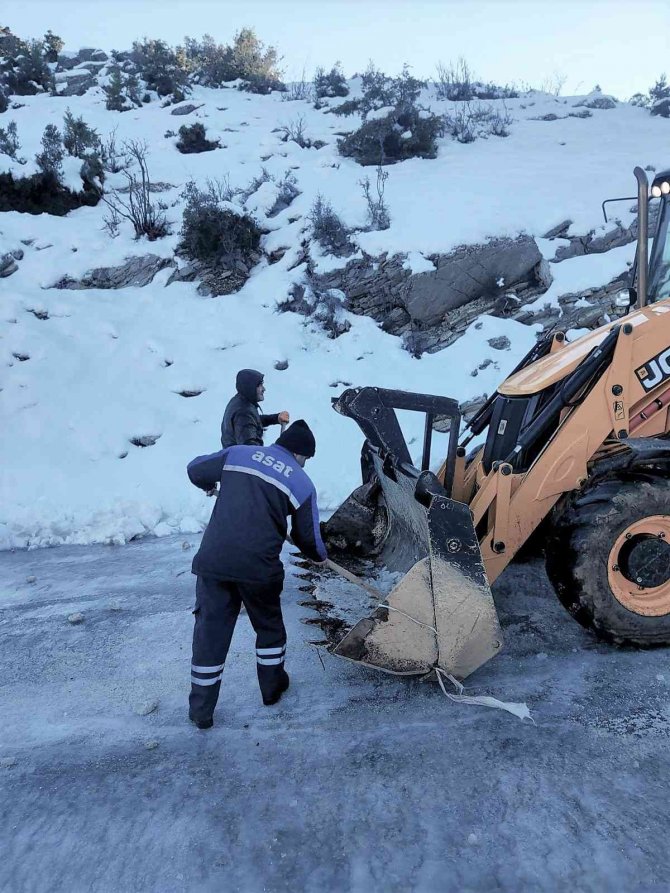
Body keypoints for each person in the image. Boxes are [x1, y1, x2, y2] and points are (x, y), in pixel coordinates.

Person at [186, 419, 327, 729]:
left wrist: (210, 484)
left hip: (215, 562)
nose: (305, 464)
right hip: (259, 570)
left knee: (210, 633)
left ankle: (201, 710)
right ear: (300, 454)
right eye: (307, 459)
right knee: (269, 629)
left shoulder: (238, 454)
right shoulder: (302, 483)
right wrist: (320, 558)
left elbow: (196, 469)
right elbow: (308, 538)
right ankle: (272, 689)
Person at [221, 368, 289, 448]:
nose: (264, 389)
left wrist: (275, 418)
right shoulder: (243, 412)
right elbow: (251, 449)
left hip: (233, 456)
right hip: (239, 459)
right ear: (250, 387)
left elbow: (253, 421)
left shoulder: (241, 401)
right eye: (260, 385)